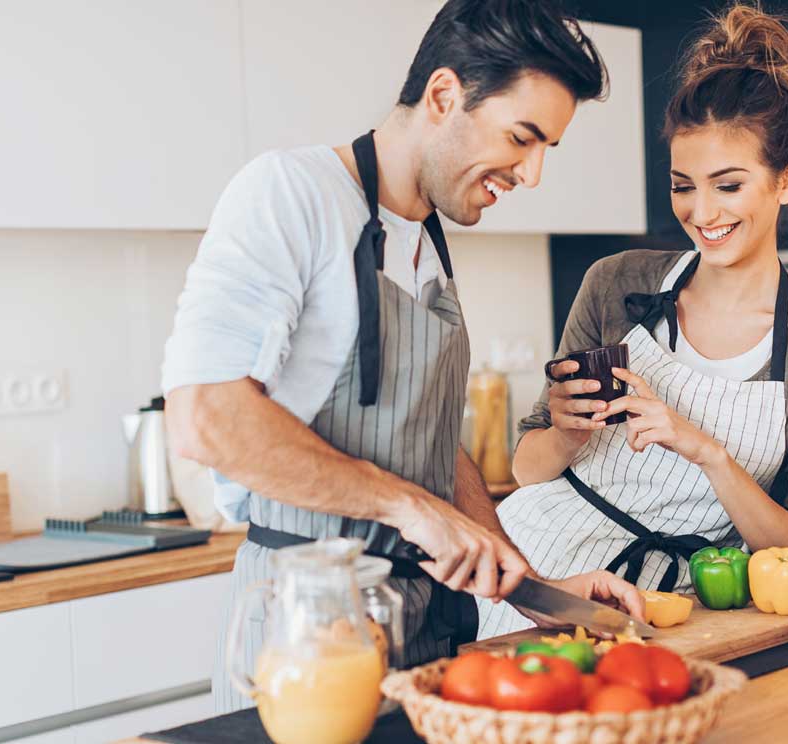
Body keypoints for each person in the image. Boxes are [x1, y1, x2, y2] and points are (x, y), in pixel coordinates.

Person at [162, 0, 644, 714]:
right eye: (522, 137)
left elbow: (431, 450)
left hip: (426, 631)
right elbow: (204, 418)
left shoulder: (427, 242)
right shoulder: (291, 195)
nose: (532, 173)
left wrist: (533, 589)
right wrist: (411, 509)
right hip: (312, 633)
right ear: (445, 96)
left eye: (547, 148)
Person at [478, 2, 788, 639]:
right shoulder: (616, 283)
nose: (701, 210)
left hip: (679, 602)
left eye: (728, 185)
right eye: (683, 184)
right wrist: (569, 435)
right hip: (536, 574)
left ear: (786, 180)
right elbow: (525, 468)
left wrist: (707, 452)